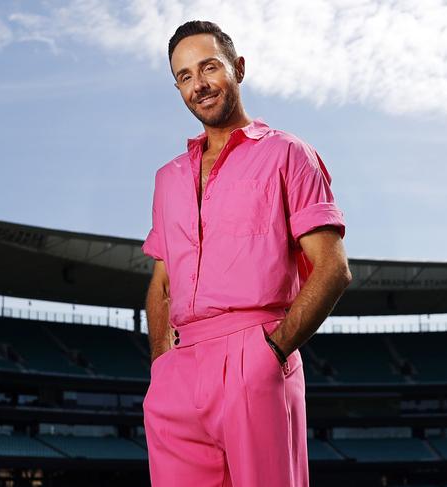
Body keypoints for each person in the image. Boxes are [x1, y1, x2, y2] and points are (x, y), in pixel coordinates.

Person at [141, 20, 352, 487]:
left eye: (209, 67)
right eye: (184, 76)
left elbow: (333, 269)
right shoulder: (167, 178)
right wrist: (162, 366)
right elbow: (161, 282)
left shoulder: (288, 154)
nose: (199, 84)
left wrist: (272, 352)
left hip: (254, 356)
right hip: (178, 373)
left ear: (237, 68)